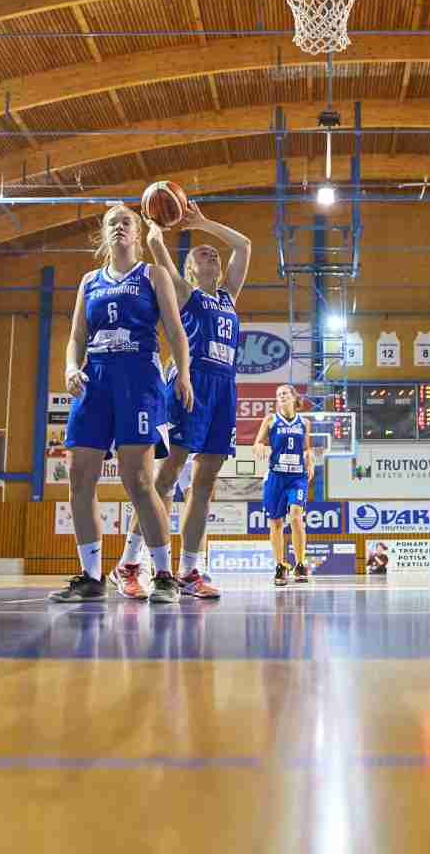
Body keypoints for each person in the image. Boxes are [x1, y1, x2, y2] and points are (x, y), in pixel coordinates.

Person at [51, 203, 193, 604]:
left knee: (140, 482)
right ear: (103, 233)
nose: (118, 227)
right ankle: (91, 577)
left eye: (126, 221)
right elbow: (76, 336)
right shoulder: (89, 281)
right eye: (111, 222)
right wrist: (70, 367)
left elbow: (175, 330)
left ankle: (163, 574)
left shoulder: (153, 275)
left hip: (138, 378)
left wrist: (183, 374)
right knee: (79, 478)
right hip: (95, 379)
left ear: (137, 233)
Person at [113, 200, 251, 600]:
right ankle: (129, 562)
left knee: (205, 483)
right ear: (189, 269)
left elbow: (243, 245)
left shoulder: (228, 297)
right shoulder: (185, 292)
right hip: (189, 384)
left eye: (213, 254)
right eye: (201, 253)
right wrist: (155, 228)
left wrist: (203, 222)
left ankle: (190, 571)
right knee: (166, 477)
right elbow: (159, 249)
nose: (211, 253)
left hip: (223, 388)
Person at [254, 383, 313, 587]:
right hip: (276, 476)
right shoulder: (271, 419)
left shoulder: (304, 422)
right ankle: (280, 565)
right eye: (278, 394)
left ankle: (300, 564)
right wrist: (260, 447)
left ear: (294, 397)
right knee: (276, 522)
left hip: (297, 477)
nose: (281, 396)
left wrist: (310, 462)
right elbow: (257, 443)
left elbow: (306, 448)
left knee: (296, 517)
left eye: (285, 393)